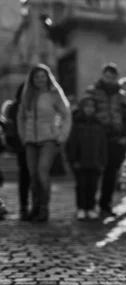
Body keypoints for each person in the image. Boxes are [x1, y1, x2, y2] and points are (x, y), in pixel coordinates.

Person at [17, 64, 72, 222]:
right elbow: (21, 116)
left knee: (42, 172)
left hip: (48, 139)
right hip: (30, 141)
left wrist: (62, 135)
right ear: (32, 79)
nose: (40, 80)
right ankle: (35, 206)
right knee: (33, 175)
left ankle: (44, 208)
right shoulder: (27, 95)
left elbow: (66, 114)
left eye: (43, 76)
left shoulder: (54, 94)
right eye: (37, 77)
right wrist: (23, 135)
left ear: (48, 78)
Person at [85, 63, 126, 219]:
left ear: (116, 78)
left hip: (116, 139)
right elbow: (85, 112)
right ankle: (89, 205)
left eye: (113, 77)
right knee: (93, 172)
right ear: (102, 75)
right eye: (107, 76)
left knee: (111, 174)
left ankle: (105, 205)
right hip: (96, 138)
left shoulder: (121, 96)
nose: (110, 79)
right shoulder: (92, 92)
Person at [66, 95, 107, 220]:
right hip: (80, 161)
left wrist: (102, 160)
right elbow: (71, 143)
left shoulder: (99, 124)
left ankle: (90, 207)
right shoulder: (76, 123)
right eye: (87, 106)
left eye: (92, 107)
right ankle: (81, 208)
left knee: (93, 186)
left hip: (95, 160)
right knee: (81, 186)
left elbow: (103, 144)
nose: (89, 109)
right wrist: (73, 159)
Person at [4, 84, 31, 220]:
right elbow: (10, 126)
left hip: (35, 143)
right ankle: (24, 206)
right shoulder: (14, 107)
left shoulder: (34, 105)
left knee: (36, 176)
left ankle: (37, 205)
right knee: (25, 176)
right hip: (22, 145)